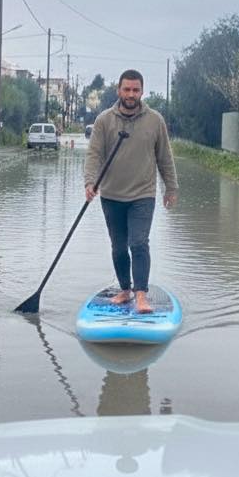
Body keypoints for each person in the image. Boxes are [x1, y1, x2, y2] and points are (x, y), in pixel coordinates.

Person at [83, 69, 179, 314]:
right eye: (126, 89)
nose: (131, 94)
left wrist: (171, 187)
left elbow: (165, 157)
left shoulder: (155, 120)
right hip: (111, 194)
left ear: (142, 91)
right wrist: (89, 182)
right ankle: (125, 290)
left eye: (135, 90)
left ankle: (141, 296)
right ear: (119, 91)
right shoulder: (104, 120)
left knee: (139, 243)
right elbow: (94, 155)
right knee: (118, 246)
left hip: (143, 195)